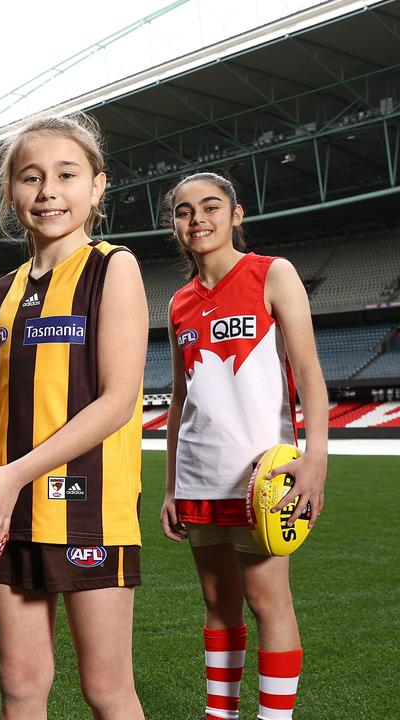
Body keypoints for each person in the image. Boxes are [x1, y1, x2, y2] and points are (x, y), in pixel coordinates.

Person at [0, 113, 148, 719]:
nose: (48, 191)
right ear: (11, 193)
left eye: (67, 174)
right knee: (20, 685)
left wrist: (12, 474)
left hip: (90, 508)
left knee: (106, 690)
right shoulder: (0, 292)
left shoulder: (113, 268)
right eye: (31, 178)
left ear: (98, 186)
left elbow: (117, 401)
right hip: (7, 512)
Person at [159, 172, 327, 720]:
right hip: (199, 475)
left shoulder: (271, 274)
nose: (197, 219)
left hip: (263, 474)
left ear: (236, 214)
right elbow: (181, 399)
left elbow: (308, 371)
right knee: (217, 606)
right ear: (175, 225)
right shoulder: (178, 302)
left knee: (267, 601)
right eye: (184, 212)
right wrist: (170, 489)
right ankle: (220, 714)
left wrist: (316, 460)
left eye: (210, 207)